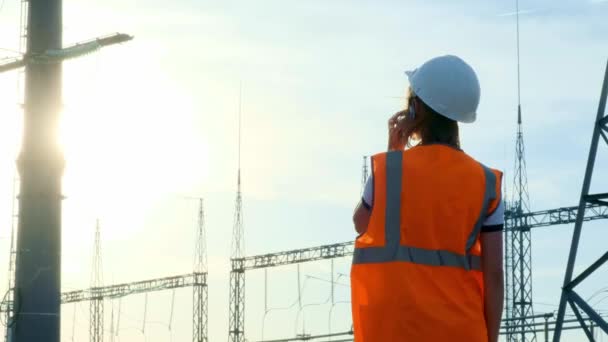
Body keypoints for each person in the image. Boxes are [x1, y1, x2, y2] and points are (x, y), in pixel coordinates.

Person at [351, 55, 504, 342]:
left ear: (416, 109)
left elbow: (361, 224)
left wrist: (393, 153)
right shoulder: (486, 183)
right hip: (462, 332)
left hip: (394, 331)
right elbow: (494, 274)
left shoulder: (389, 171)